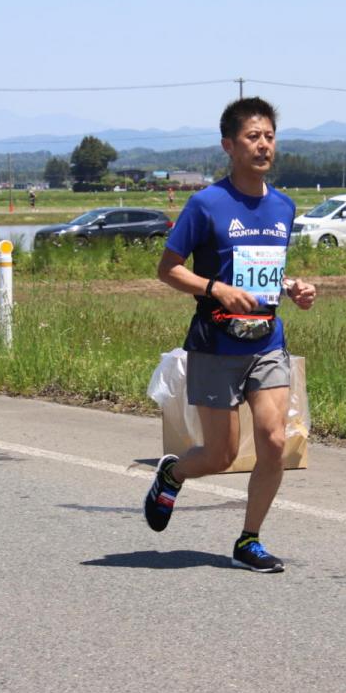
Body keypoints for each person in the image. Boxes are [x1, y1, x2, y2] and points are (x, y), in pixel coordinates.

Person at [144, 97, 316, 573]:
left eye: (269, 136)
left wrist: (293, 288)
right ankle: (172, 474)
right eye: (252, 137)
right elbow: (168, 270)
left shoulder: (283, 205)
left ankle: (249, 540)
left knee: (274, 440)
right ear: (229, 145)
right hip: (215, 345)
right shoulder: (206, 204)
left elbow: (264, 275)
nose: (263, 145)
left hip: (266, 341)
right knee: (219, 455)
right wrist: (215, 289)